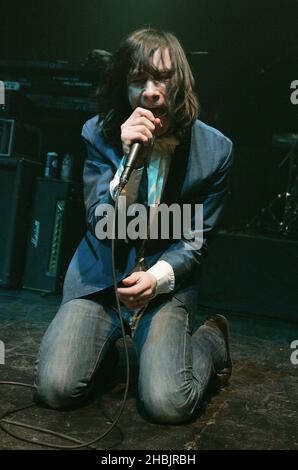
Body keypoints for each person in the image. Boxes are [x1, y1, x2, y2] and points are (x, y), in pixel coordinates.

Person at [35, 28, 233, 424]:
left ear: (181, 82)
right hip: (100, 281)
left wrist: (157, 280)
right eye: (138, 80)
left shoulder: (215, 151)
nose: (151, 91)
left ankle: (212, 340)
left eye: (162, 78)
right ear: (123, 87)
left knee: (167, 404)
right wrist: (132, 164)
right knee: (56, 389)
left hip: (161, 287)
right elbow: (102, 224)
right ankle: (103, 350)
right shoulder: (99, 133)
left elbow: (196, 240)